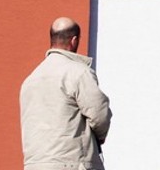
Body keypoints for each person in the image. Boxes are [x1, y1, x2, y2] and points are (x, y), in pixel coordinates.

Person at [20, 17, 112, 170]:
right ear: (74, 40)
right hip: (72, 163)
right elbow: (100, 114)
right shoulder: (78, 73)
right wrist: (98, 138)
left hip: (35, 164)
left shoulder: (30, 80)